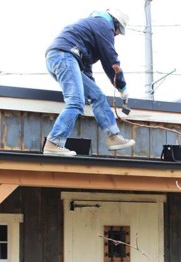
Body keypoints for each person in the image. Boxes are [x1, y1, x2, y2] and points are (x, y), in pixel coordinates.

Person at [43, 8, 136, 156]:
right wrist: (122, 86)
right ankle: (54, 142)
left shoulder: (92, 28)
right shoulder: (104, 25)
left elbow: (86, 68)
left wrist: (93, 88)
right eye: (118, 32)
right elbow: (111, 60)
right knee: (75, 102)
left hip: (63, 57)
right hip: (64, 57)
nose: (116, 35)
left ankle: (113, 136)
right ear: (116, 24)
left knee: (97, 95)